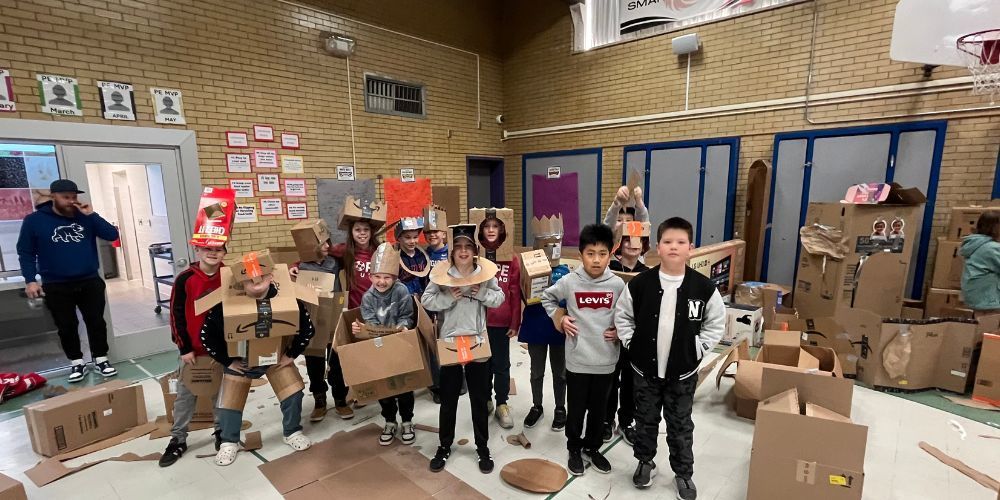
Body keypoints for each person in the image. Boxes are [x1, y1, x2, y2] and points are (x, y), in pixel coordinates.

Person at [615, 217, 726, 498]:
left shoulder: (703, 288)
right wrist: (631, 343)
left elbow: (716, 323)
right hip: (645, 372)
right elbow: (623, 316)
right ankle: (645, 462)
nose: (673, 247)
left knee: (680, 425)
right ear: (657, 247)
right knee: (645, 420)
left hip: (682, 375)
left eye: (680, 242)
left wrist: (699, 348)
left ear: (691, 247)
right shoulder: (641, 284)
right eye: (667, 242)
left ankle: (683, 474)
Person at [201, 271, 314, 466]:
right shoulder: (225, 306)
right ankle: (229, 441)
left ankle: (292, 431)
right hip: (241, 362)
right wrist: (228, 362)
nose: (255, 279)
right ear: (241, 281)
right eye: (249, 277)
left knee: (294, 393)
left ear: (271, 277)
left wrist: (291, 355)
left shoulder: (287, 300)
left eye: (261, 275)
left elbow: (308, 329)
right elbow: (206, 336)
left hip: (275, 359)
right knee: (228, 403)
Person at [541, 224, 625, 477]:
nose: (596, 259)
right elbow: (547, 298)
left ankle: (593, 447)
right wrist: (560, 318)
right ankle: (574, 448)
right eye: (590, 253)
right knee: (576, 408)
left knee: (599, 409)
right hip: (577, 359)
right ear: (580, 255)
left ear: (610, 255)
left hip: (606, 360)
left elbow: (628, 315)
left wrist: (620, 331)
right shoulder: (570, 281)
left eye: (602, 253)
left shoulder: (618, 285)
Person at [16, 179, 121, 382]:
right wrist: (30, 280)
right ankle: (76, 362)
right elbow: (25, 252)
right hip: (56, 284)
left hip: (89, 280)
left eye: (73, 197)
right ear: (53, 197)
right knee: (66, 325)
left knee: (96, 322)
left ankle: (101, 359)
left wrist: (92, 215)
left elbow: (112, 235)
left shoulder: (85, 217)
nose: (71, 201)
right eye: (65, 197)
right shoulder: (34, 220)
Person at [422, 225, 504, 474]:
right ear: (452, 252)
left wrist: (482, 294)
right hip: (450, 343)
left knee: (479, 399)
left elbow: (499, 298)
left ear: (475, 250)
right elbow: (426, 300)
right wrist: (449, 297)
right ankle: (444, 446)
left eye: (468, 246)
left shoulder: (485, 274)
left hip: (477, 342)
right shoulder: (442, 274)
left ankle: (482, 447)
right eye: (458, 247)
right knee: (448, 400)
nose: (463, 251)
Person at [159, 244, 226, 467]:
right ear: (197, 250)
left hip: (220, 351)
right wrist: (184, 348)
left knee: (220, 394)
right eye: (207, 248)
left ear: (225, 252)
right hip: (193, 352)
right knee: (185, 397)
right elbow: (176, 315)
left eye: (219, 249)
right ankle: (178, 439)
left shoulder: (229, 275)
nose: (213, 253)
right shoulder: (185, 279)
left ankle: (221, 432)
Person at [353, 243, 417, 446]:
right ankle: (390, 420)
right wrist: (371, 332)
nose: (382, 281)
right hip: (379, 347)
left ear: (395, 278)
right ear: (370, 276)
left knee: (404, 386)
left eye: (387, 277)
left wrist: (403, 327)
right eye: (378, 276)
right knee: (384, 389)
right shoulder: (368, 298)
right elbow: (370, 323)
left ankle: (407, 421)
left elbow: (407, 315)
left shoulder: (401, 291)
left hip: (399, 345)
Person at [329, 218, 383, 418]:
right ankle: (343, 397)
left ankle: (365, 391)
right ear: (351, 233)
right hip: (353, 312)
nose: (362, 233)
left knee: (371, 355)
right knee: (347, 356)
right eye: (357, 230)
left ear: (371, 232)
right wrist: (296, 265)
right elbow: (319, 253)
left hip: (376, 313)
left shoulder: (379, 252)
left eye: (365, 229)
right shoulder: (345, 251)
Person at [290, 235, 343, 423]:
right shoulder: (302, 266)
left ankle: (340, 398)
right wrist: (294, 266)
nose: (327, 245)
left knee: (336, 360)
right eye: (322, 243)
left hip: (334, 315)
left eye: (328, 241)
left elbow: (350, 252)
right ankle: (319, 399)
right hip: (313, 319)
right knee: (314, 362)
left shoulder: (335, 262)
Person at [605, 231, 650, 445]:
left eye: (638, 239)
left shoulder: (648, 274)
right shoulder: (609, 269)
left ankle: (626, 421)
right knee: (610, 380)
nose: (633, 244)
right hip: (610, 336)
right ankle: (607, 420)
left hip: (634, 337)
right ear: (619, 244)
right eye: (628, 239)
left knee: (631, 382)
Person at [479, 214, 521, 429]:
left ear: (502, 230)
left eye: (495, 226)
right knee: (482, 365)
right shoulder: (475, 257)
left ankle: (502, 403)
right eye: (487, 226)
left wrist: (515, 322)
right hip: (478, 322)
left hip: (501, 322)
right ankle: (486, 399)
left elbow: (515, 292)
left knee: (501, 366)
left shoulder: (511, 259)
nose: (491, 229)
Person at [519, 264, 570, 431]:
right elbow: (523, 294)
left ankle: (560, 407)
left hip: (558, 326)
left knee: (560, 372)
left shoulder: (564, 271)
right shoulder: (530, 267)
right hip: (536, 326)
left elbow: (569, 298)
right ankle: (537, 406)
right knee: (536, 371)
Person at [961, 211, 1000, 313]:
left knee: (982, 322)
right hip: (989, 299)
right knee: (990, 323)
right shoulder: (991, 247)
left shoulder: (976, 243)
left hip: (977, 296)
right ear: (995, 228)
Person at [397, 218, 430, 296]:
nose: (412, 241)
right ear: (399, 238)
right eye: (407, 237)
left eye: (415, 237)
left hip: (424, 297)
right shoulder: (395, 258)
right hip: (404, 298)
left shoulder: (423, 255)